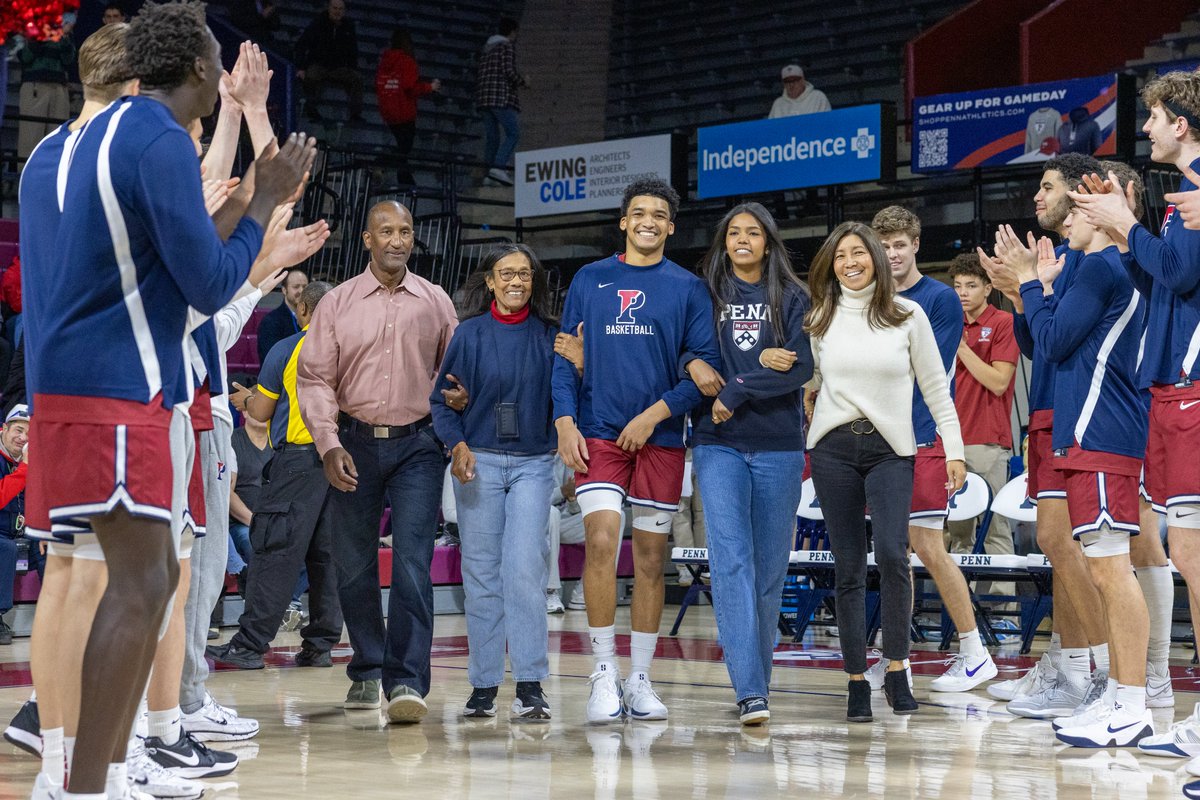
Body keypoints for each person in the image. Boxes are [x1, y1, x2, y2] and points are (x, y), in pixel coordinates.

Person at [20, 1, 312, 796]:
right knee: (146, 584)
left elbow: (144, 252)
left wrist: (241, 206)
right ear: (197, 70)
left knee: (91, 577)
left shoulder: (59, 147)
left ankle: (83, 771)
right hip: (123, 387)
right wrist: (262, 199)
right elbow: (209, 281)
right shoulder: (153, 136)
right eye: (215, 59)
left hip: (62, 388)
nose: (221, 71)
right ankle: (91, 782)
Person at [552, 178, 720, 723]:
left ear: (671, 226)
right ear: (623, 221)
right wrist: (564, 422)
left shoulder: (689, 288)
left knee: (652, 560)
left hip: (662, 439)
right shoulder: (590, 278)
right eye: (638, 213)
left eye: (659, 215)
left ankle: (641, 678)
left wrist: (652, 416)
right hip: (600, 431)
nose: (648, 221)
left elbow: (702, 375)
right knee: (602, 541)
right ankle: (603, 673)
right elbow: (562, 356)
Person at [1068, 72, 1200, 764]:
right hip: (1172, 392)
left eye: (1151, 116)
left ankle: (1160, 705)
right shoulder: (1182, 203)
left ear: (1182, 122)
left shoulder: (1199, 189)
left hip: (1190, 390)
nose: (1143, 128)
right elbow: (1164, 275)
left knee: (1191, 559)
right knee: (1185, 556)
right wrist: (1131, 235)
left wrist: (1125, 228)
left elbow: (1177, 277)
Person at [297, 200, 458, 723]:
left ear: (413, 239)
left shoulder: (435, 302)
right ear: (367, 239)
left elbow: (454, 374)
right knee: (355, 565)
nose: (396, 239)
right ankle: (367, 667)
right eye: (386, 230)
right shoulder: (337, 304)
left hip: (418, 446)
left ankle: (408, 681)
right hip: (353, 442)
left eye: (405, 231)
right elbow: (315, 379)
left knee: (413, 562)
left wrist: (457, 400)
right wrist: (328, 444)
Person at [803, 222, 964, 723]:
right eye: (841, 255)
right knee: (848, 566)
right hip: (831, 451)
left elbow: (936, 386)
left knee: (895, 556)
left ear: (874, 257)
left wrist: (953, 447)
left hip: (893, 449)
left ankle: (897, 668)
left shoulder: (907, 314)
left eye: (859, 253)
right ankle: (855, 679)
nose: (851, 262)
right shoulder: (819, 318)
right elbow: (808, 383)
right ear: (831, 263)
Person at [982, 153, 1114, 720]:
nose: (1037, 196)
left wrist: (1030, 287)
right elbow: (1040, 345)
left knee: (1072, 548)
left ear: (1080, 195)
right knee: (1058, 550)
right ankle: (1072, 667)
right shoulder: (1062, 260)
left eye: (1047, 185)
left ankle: (1110, 676)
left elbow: (1056, 341)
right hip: (1048, 411)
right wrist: (1020, 294)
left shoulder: (1089, 262)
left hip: (1078, 416)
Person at [1016, 212, 1153, 749]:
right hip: (1096, 434)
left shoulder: (1099, 269)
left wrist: (1032, 283)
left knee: (1114, 574)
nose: (1063, 223)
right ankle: (1122, 697)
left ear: (1096, 213)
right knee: (1106, 573)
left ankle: (1131, 702)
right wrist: (1044, 288)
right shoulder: (1112, 269)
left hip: (1102, 433)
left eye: (1073, 211)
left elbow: (1049, 343)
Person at [687, 202, 811, 726]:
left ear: (768, 241)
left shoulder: (795, 296)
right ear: (724, 242)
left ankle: (756, 683)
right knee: (731, 562)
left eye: (752, 233)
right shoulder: (704, 293)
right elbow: (682, 347)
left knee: (768, 571)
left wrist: (738, 385)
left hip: (780, 445)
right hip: (718, 444)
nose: (742, 240)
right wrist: (691, 361)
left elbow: (800, 365)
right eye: (734, 233)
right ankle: (750, 692)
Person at [870, 206, 997, 693]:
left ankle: (973, 651)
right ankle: (892, 652)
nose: (892, 253)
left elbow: (926, 368)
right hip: (879, 441)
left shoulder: (940, 299)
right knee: (890, 551)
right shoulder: (869, 297)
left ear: (916, 244)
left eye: (899, 244)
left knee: (927, 545)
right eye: (883, 245)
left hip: (923, 437)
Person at [430, 243, 558, 720]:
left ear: (533, 281)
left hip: (533, 462)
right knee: (481, 575)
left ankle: (529, 684)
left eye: (524, 274)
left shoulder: (551, 335)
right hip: (477, 460)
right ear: (490, 282)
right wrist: (457, 444)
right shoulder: (468, 334)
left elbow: (570, 394)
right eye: (506, 274)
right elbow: (441, 402)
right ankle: (483, 685)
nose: (515, 282)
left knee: (524, 569)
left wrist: (580, 364)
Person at [209, 281, 343, 670]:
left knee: (274, 552)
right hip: (343, 461)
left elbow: (263, 412)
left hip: (299, 460)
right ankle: (320, 645)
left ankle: (250, 645)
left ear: (303, 311)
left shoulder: (288, 348)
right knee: (327, 558)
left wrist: (245, 399)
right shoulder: (352, 348)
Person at [945, 254, 1019, 559]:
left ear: (988, 288)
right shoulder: (949, 323)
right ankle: (961, 606)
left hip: (988, 441)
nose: (962, 292)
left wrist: (961, 347)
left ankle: (1002, 606)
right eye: (958, 285)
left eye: (971, 285)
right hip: (951, 443)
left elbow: (999, 381)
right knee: (958, 531)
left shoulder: (1003, 322)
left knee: (995, 529)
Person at [376, 28, 441, 186]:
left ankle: (404, 177)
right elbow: (409, 86)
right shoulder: (407, 61)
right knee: (405, 147)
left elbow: (379, 84)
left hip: (388, 110)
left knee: (402, 146)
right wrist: (430, 87)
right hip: (404, 110)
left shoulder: (385, 62)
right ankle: (382, 164)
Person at [475, 17, 527, 186]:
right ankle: (498, 167)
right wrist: (523, 81)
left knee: (492, 138)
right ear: (512, 32)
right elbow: (508, 72)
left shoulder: (487, 49)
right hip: (499, 96)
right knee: (514, 132)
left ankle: (488, 175)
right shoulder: (506, 46)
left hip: (484, 98)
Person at [17, 15, 75, 160]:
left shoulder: (64, 29)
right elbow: (25, 57)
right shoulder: (30, 24)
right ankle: (25, 179)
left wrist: (64, 36)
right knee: (30, 137)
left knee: (58, 137)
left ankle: (53, 180)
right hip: (34, 86)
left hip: (59, 87)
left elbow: (69, 60)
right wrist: (40, 36)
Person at [295, 0, 363, 122]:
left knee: (357, 78)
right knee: (311, 76)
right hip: (319, 64)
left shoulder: (348, 26)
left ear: (344, 11)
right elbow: (302, 44)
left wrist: (352, 68)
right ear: (329, 8)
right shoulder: (317, 23)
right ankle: (311, 109)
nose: (337, 11)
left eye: (340, 9)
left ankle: (355, 114)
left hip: (339, 67)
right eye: (335, 8)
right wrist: (301, 67)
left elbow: (353, 50)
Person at [228, 411, 271, 589]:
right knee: (253, 542)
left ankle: (288, 602)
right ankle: (263, 603)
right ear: (244, 411)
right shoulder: (232, 441)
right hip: (241, 523)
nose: (262, 411)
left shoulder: (279, 442)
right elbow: (226, 494)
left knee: (315, 547)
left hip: (276, 521)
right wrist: (255, 522)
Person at [0, 405, 29, 647]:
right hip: (1, 534)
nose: (23, 438)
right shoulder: (25, 464)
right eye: (18, 430)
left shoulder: (33, 461)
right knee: (5, 548)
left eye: (29, 435)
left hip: (24, 530)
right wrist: (25, 469)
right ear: (4, 429)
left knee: (49, 543)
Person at [546, 456, 585, 612]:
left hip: (563, 522)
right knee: (551, 513)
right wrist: (562, 491)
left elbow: (574, 510)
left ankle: (584, 592)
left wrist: (572, 498)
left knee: (614, 518)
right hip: (534, 521)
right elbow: (534, 500)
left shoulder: (568, 455)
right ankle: (550, 592)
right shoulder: (535, 452)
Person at [257, 268, 309, 363]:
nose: (301, 291)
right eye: (296, 287)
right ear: (284, 290)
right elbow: (270, 358)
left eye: (305, 286)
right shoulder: (270, 321)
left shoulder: (313, 320)